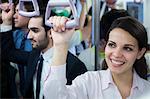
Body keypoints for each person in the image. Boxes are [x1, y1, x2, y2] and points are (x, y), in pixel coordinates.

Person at [43, 16, 150, 99]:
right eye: (112, 45)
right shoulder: (89, 82)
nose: (116, 54)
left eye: (127, 48)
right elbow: (55, 96)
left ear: (140, 53)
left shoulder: (147, 90)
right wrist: (61, 44)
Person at [0, 2, 87, 99]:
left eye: (35, 31)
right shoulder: (35, 56)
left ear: (50, 33)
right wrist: (6, 22)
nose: (29, 36)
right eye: (29, 31)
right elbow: (8, 53)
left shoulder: (74, 66)